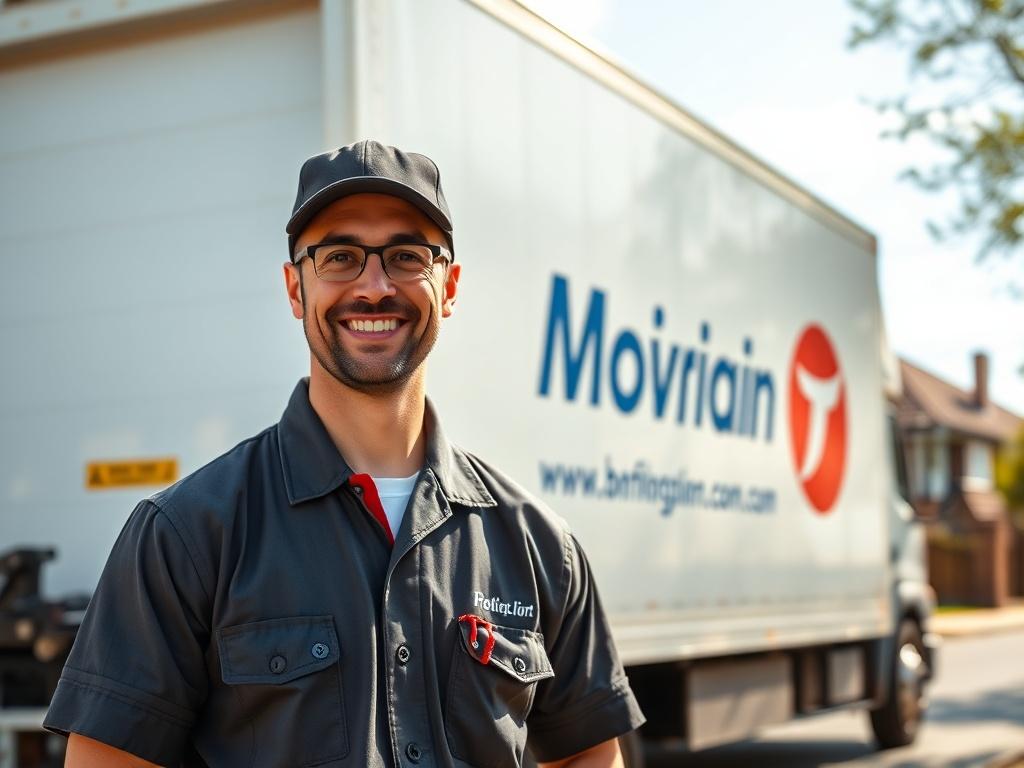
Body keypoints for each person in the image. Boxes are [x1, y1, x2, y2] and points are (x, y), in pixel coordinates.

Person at [44, 140, 645, 767]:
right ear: (295, 289)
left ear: (450, 286)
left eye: (407, 256)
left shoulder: (540, 545)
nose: (375, 286)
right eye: (339, 257)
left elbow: (588, 756)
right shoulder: (186, 536)